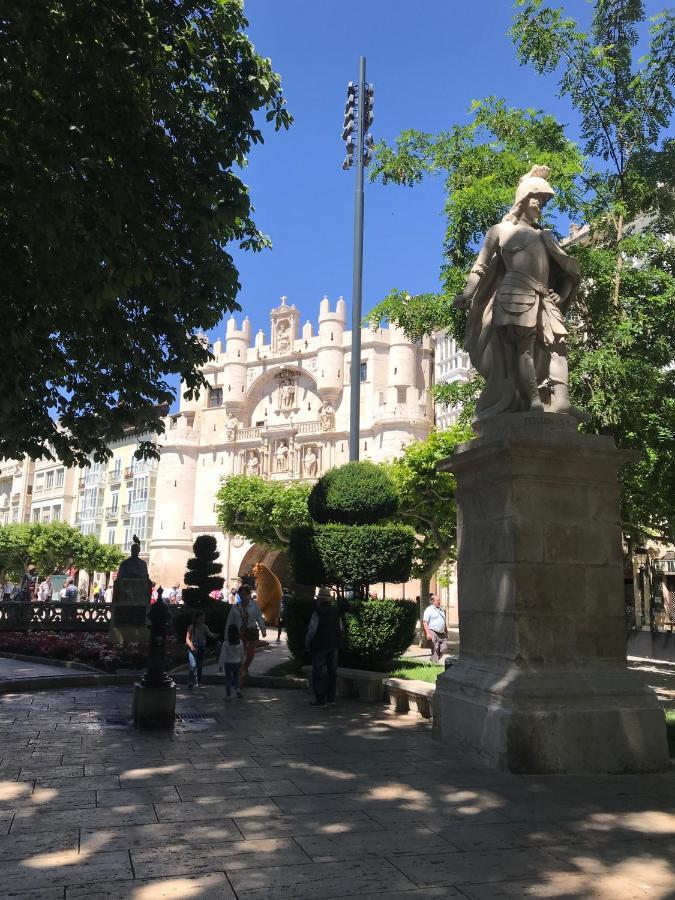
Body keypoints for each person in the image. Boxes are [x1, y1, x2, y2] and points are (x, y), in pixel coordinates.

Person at [454, 165, 585, 421]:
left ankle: (562, 402)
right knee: (522, 349)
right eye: (538, 200)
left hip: (543, 297)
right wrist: (467, 294)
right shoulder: (499, 231)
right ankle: (533, 400)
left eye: (543, 201)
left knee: (558, 346)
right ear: (524, 200)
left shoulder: (545, 235)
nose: (541, 206)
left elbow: (568, 270)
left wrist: (562, 291)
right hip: (514, 294)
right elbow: (480, 267)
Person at [305, 587, 341, 708]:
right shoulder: (336, 611)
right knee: (332, 672)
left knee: (318, 672)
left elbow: (312, 630)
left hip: (320, 645)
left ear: (320, 599)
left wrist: (307, 642)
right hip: (334, 644)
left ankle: (320, 699)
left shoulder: (318, 611)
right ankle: (331, 698)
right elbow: (340, 628)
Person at [225, 585, 266, 685]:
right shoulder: (235, 607)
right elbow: (230, 621)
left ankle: (244, 668)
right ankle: (241, 676)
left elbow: (259, 618)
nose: (243, 596)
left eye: (245, 594)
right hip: (240, 633)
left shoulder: (254, 605)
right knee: (241, 654)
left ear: (249, 594)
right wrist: (226, 635)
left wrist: (263, 629)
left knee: (251, 655)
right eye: (241, 594)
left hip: (251, 632)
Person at [185, 610, 218, 688]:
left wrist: (214, 635)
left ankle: (199, 681)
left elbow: (209, 634)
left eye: (203, 619)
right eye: (201, 619)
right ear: (196, 619)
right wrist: (191, 646)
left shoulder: (204, 627)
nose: (202, 620)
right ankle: (191, 681)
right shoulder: (192, 627)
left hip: (201, 647)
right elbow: (187, 638)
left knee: (199, 665)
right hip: (193, 647)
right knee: (192, 664)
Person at [218, 623, 244, 699]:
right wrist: (241, 661)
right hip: (237, 662)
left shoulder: (226, 643)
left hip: (228, 663)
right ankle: (238, 689)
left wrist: (220, 665)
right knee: (236, 677)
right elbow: (242, 653)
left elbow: (222, 655)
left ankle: (228, 694)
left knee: (228, 678)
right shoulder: (240, 642)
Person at [422, 594, 448, 664]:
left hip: (442, 632)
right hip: (433, 631)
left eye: (439, 600)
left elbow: (443, 621)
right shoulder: (429, 610)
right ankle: (435, 663)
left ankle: (433, 659)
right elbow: (425, 622)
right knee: (435, 648)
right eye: (438, 600)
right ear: (432, 601)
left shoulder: (441, 609)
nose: (439, 602)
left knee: (444, 648)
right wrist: (427, 633)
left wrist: (446, 630)